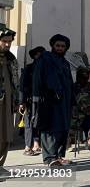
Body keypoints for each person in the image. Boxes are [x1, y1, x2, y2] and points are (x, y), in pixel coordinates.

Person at [32, 34, 75, 167]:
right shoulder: (45, 59)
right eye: (58, 46)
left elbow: (69, 83)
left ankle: (60, 156)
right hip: (49, 101)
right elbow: (38, 80)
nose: (60, 48)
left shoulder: (65, 63)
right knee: (50, 128)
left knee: (63, 128)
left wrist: (72, 100)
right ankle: (50, 158)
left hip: (65, 102)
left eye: (63, 46)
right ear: (52, 46)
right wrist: (38, 98)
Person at [19, 46, 45, 156]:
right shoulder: (28, 68)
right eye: (39, 54)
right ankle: (27, 147)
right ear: (34, 56)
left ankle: (36, 144)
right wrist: (22, 101)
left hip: (42, 101)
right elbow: (22, 86)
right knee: (29, 123)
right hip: (29, 101)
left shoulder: (45, 69)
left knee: (39, 122)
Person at [0, 27, 18, 172]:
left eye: (9, 42)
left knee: (6, 133)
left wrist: (17, 99)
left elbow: (15, 81)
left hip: (7, 101)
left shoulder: (11, 58)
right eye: (4, 41)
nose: (7, 45)